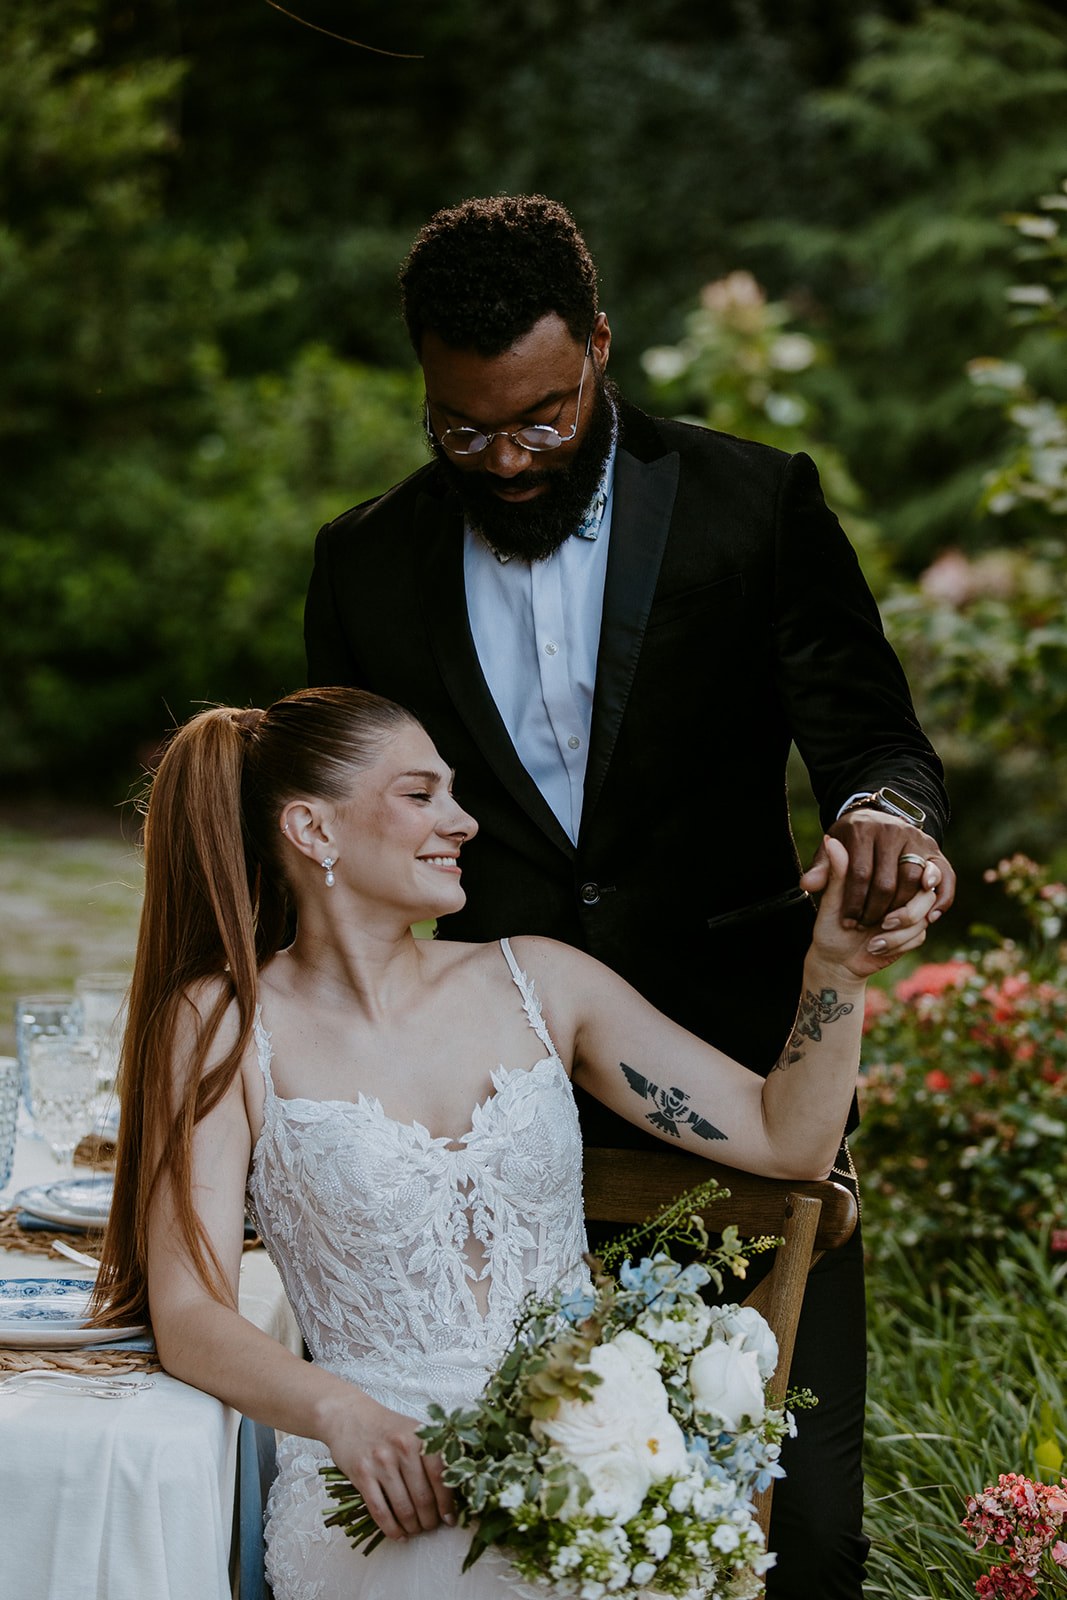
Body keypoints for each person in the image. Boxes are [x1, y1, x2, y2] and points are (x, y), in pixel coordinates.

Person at [302, 194, 956, 1596]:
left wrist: (881, 824)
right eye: (464, 429)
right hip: (483, 1121)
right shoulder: (363, 562)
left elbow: (870, 738)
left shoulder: (749, 500)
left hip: (735, 1075)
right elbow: (333, 838)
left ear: (598, 349)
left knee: (797, 1538)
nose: (508, 459)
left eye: (540, 416)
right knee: (515, 1545)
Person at [93, 687, 940, 1600]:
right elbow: (188, 1313)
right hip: (378, 1485)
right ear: (311, 827)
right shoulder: (224, 1024)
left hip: (598, 1453)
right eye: (421, 795)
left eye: (453, 795)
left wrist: (836, 973)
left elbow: (790, 1141)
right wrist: (343, 1416)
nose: (461, 822)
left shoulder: (541, 982)